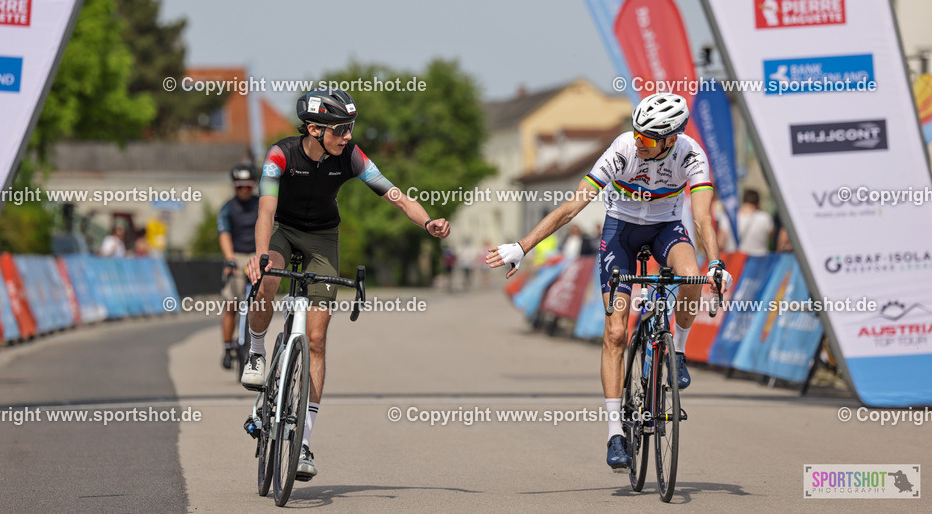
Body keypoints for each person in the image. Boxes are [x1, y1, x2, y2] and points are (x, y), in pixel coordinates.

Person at [486, 92, 733, 473]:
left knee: (691, 277)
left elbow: (701, 217)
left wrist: (715, 262)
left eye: (648, 139)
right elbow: (572, 207)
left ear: (671, 139)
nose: (639, 142)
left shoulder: (692, 155)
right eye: (636, 133)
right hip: (620, 232)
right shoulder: (623, 150)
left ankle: (678, 352)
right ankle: (616, 432)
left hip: (666, 228)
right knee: (616, 331)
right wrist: (523, 246)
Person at [244, 88, 450, 481]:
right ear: (313, 129)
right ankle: (255, 350)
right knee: (270, 276)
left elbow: (397, 197)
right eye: (340, 129)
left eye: (350, 128)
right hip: (282, 230)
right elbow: (266, 209)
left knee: (317, 339)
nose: (348, 136)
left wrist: (427, 222)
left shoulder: (352, 158)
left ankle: (303, 442)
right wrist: (261, 254)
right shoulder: (280, 155)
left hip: (322, 236)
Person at [217, 163, 260, 370]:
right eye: (239, 186)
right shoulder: (228, 208)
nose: (244, 190)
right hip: (237, 254)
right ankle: (227, 347)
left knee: (259, 302)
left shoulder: (261, 204)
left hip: (257, 254)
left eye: (248, 186)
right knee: (232, 304)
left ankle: (256, 344)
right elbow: (224, 234)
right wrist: (229, 259)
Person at [737, 189, 774, 256]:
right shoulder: (764, 217)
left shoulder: (734, 218)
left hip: (740, 259)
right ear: (757, 202)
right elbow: (770, 234)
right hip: (760, 258)